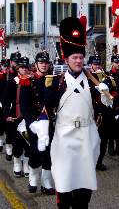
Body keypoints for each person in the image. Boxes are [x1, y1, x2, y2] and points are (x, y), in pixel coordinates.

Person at [39, 17, 110, 208]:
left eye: (80, 57)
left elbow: (104, 107)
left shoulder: (95, 81)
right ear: (66, 59)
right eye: (74, 58)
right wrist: (43, 130)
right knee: (64, 185)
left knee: (84, 189)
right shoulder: (56, 82)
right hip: (64, 138)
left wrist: (106, 96)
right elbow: (46, 108)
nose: (78, 61)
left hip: (87, 138)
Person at [20, 51, 55, 194]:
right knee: (35, 151)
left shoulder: (54, 80)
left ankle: (46, 182)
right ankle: (33, 178)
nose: (44, 65)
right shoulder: (27, 81)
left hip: (49, 121)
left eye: (46, 62)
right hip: (34, 123)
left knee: (49, 152)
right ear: (36, 65)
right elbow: (24, 106)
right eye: (41, 63)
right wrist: (31, 123)